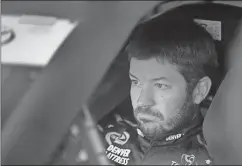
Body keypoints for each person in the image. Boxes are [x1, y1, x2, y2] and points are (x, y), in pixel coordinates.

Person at [52, 13, 218, 165]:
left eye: (161, 85)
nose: (142, 101)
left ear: (199, 91)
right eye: (136, 82)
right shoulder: (97, 123)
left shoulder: (219, 152)